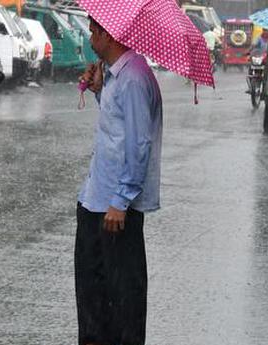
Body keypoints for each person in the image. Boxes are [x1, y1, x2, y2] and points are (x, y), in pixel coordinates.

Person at [75, 16, 163, 345]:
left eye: (93, 31)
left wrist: (121, 200)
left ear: (108, 35)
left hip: (113, 210)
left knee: (122, 299)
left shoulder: (135, 77)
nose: (90, 38)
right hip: (96, 200)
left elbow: (139, 143)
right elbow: (117, 127)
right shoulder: (116, 76)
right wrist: (99, 90)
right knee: (94, 298)